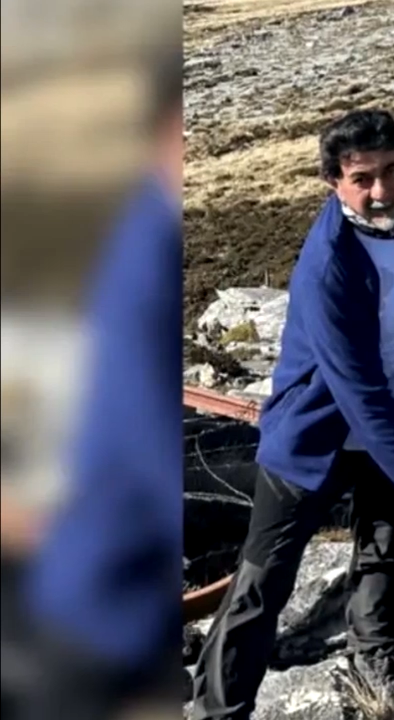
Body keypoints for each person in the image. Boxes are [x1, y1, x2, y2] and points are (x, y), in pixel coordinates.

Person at [189, 109, 394, 720]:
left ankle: (373, 670)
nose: (381, 191)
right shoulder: (332, 265)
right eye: (361, 178)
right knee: (264, 580)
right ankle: (217, 708)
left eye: (391, 170)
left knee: (386, 553)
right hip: (316, 439)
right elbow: (361, 394)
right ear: (333, 183)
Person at [17, 44, 185, 720]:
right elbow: (145, 433)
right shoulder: (140, 258)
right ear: (162, 134)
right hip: (106, 599)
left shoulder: (150, 235)